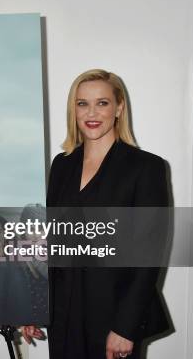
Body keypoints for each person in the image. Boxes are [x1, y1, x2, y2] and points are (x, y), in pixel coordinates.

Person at [23, 69, 170, 358]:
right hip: (64, 312)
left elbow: (149, 254)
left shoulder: (146, 167)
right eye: (82, 103)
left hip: (113, 316)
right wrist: (34, 306)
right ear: (73, 110)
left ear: (119, 108)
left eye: (102, 103)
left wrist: (125, 328)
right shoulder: (62, 165)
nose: (92, 112)